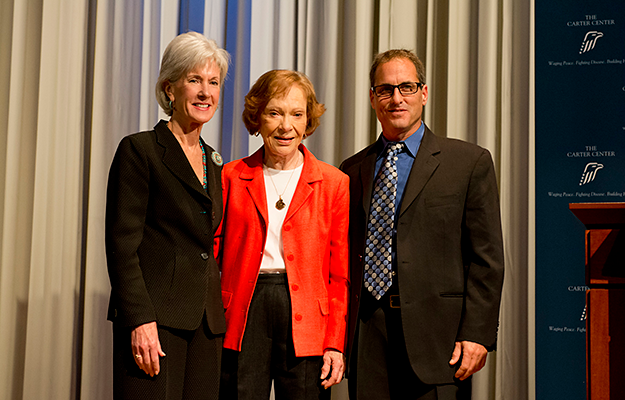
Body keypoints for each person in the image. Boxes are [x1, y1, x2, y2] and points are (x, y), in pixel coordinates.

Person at [339, 49, 504, 400]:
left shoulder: (468, 162)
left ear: (424, 94)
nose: (396, 98)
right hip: (369, 334)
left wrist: (477, 334)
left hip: (440, 340)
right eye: (385, 89)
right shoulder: (351, 170)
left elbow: (487, 259)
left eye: (407, 87)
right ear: (372, 98)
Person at [105, 31, 229, 400]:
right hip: (155, 323)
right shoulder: (140, 150)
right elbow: (122, 247)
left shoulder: (213, 160)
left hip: (205, 325)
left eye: (213, 82)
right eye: (194, 80)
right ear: (169, 88)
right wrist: (140, 319)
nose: (205, 92)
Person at [215, 70, 350, 400]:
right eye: (274, 113)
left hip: (308, 322)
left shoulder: (334, 183)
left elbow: (339, 274)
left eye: (297, 114)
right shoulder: (231, 176)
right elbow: (211, 255)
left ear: (308, 121)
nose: (285, 126)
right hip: (244, 312)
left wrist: (335, 342)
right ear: (257, 118)